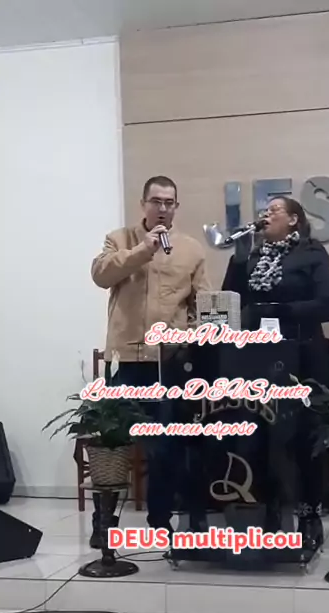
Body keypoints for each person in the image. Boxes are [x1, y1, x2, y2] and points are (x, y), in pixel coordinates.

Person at [90, 175, 210, 547]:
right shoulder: (120, 239)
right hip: (125, 360)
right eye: (156, 201)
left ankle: (160, 520)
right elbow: (101, 275)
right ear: (143, 204)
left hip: (166, 364)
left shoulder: (191, 250)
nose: (162, 208)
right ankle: (104, 521)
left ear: (176, 207)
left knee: (165, 447)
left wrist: (186, 336)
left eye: (169, 202)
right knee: (111, 443)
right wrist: (143, 249)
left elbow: (204, 306)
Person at [221, 196, 329, 551]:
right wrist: (238, 258)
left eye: (274, 211)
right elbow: (230, 300)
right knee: (260, 436)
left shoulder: (312, 253)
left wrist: (280, 310)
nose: (265, 215)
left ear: (293, 220)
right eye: (264, 211)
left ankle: (309, 513)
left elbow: (328, 304)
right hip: (258, 358)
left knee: (303, 436)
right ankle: (268, 509)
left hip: (304, 357)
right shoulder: (252, 256)